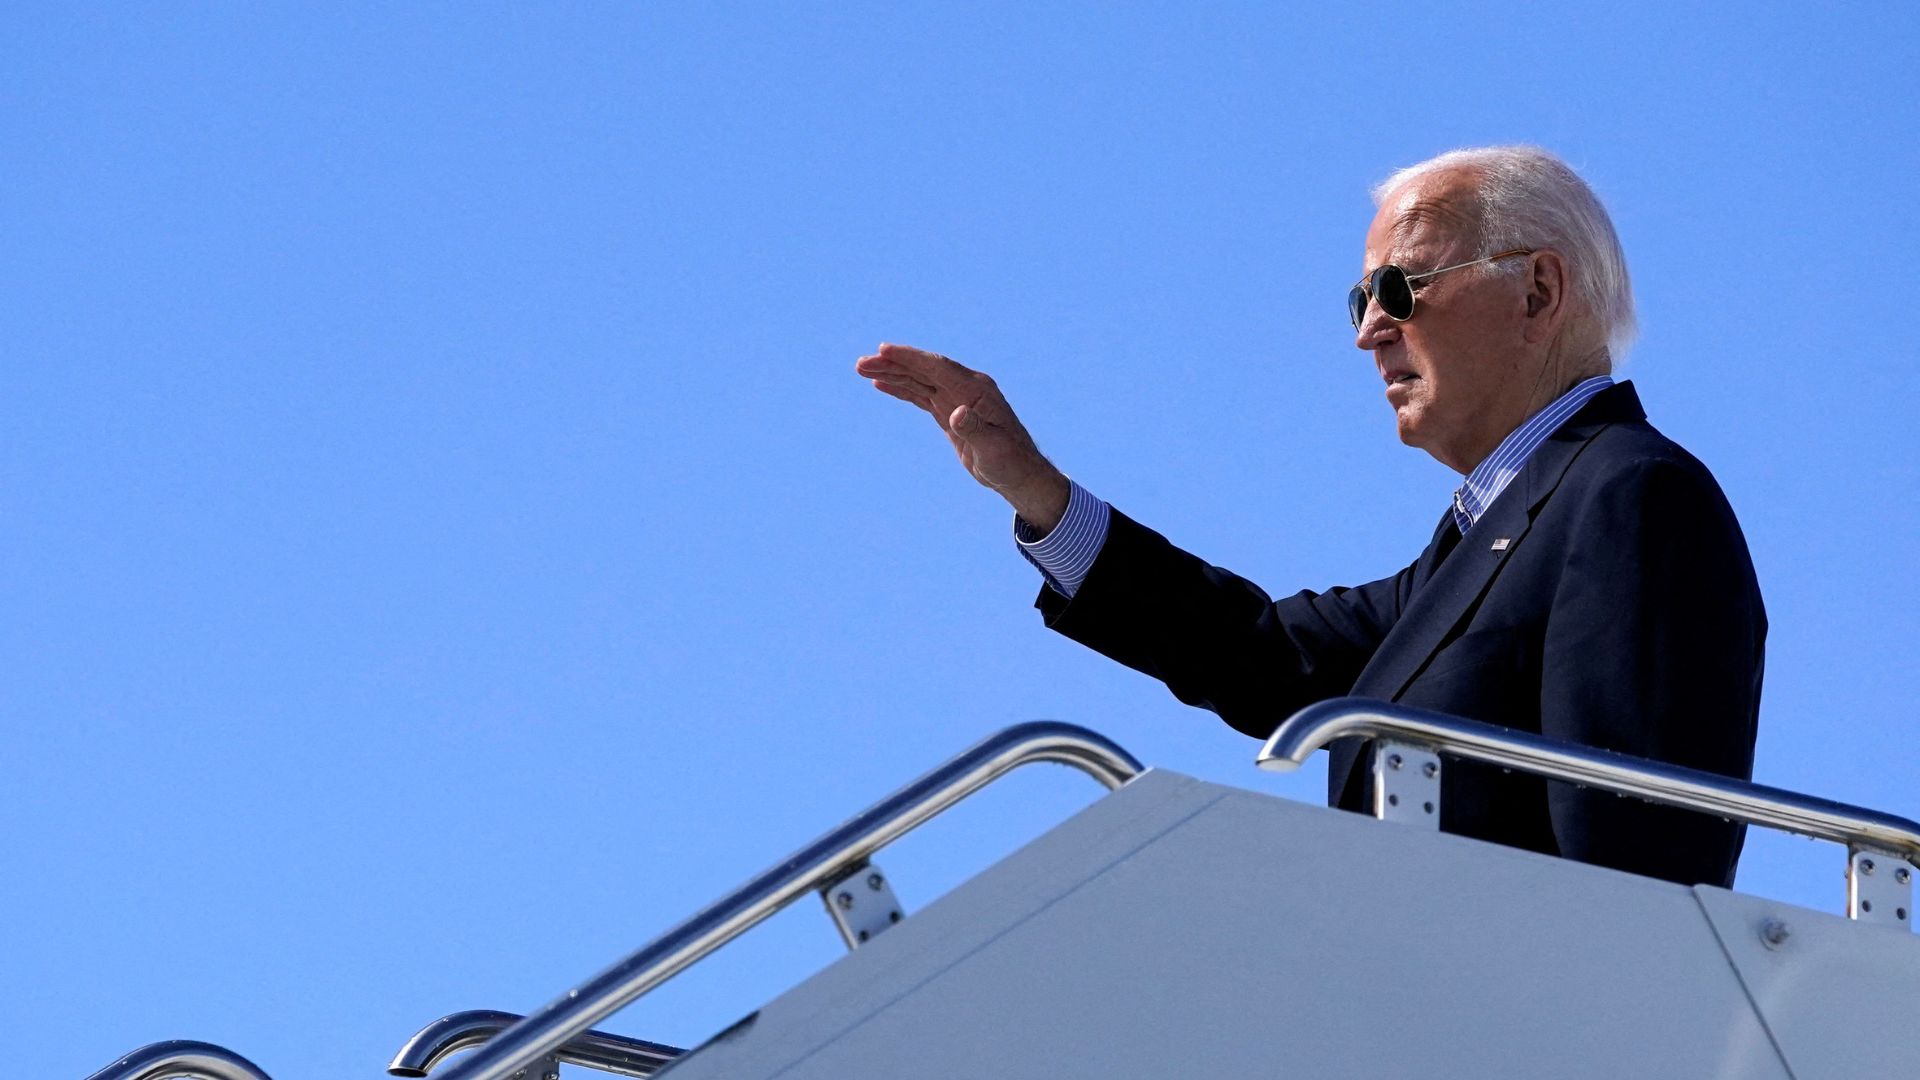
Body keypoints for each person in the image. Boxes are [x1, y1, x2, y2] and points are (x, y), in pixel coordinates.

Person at [855, 146, 1764, 888]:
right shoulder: (1482, 539)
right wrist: (1039, 495)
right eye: (1359, 300)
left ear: (1536, 291)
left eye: (1400, 291)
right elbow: (1260, 651)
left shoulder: (1629, 496)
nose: (1369, 331)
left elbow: (1633, 886)